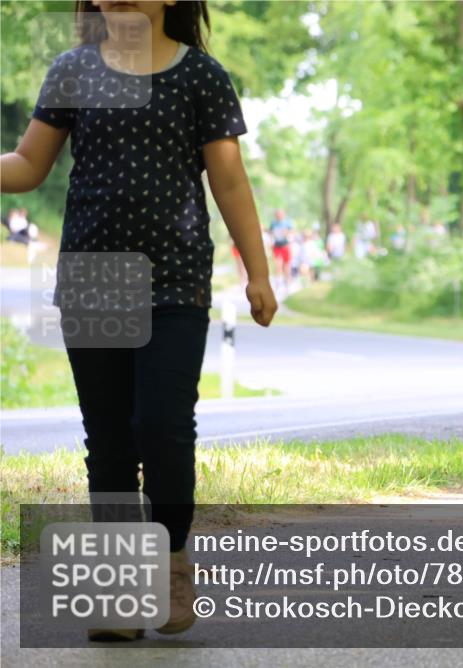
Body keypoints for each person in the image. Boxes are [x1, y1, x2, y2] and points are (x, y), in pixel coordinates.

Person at [0, 0, 277, 640]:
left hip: (174, 280)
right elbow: (29, 164)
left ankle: (172, 556)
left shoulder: (200, 75)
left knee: (162, 427)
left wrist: (257, 271)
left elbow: (230, 182)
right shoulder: (73, 70)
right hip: (92, 280)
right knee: (109, 441)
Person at [269, 208, 293, 290]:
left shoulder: (287, 223)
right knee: (278, 264)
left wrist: (287, 234)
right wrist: (271, 242)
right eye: (277, 214)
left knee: (286, 265)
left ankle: (287, 282)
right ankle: (278, 283)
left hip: (285, 245)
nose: (279, 216)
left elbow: (291, 233)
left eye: (280, 214)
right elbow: (271, 233)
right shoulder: (273, 223)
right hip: (277, 246)